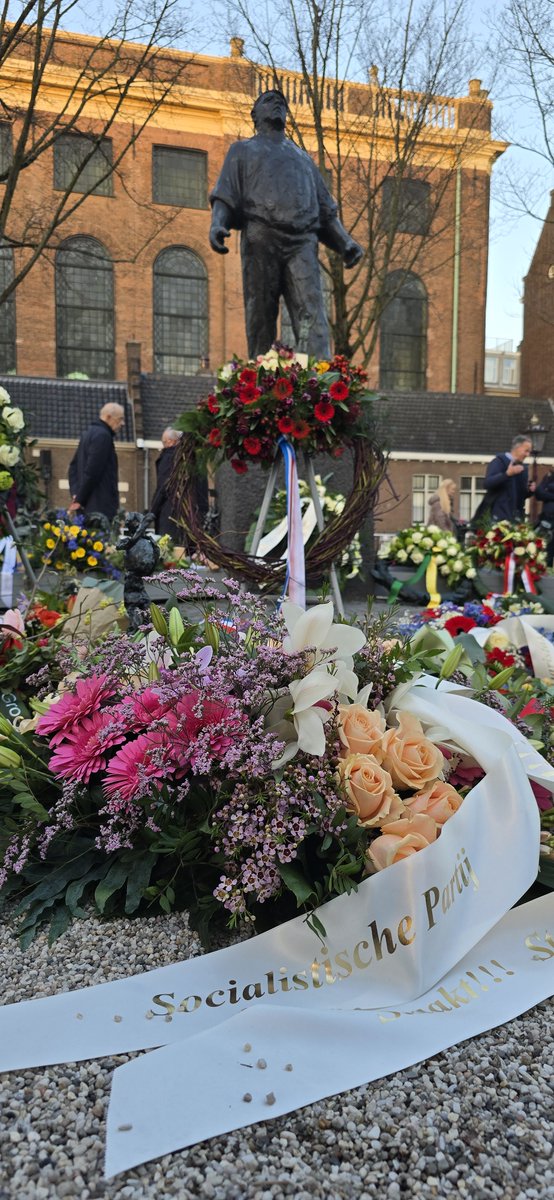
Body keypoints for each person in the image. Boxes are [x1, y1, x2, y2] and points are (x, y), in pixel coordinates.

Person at [209, 89, 363, 359]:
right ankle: (259, 384)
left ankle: (320, 384)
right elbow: (226, 192)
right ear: (254, 114)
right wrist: (217, 223)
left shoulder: (303, 159)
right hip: (261, 236)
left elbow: (326, 210)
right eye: (269, 101)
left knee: (312, 313)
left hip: (302, 242)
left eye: (282, 103)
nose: (278, 104)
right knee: (261, 313)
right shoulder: (242, 150)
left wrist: (345, 242)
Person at [68, 402, 125, 521]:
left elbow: (73, 467)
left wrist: (76, 493)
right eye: (120, 419)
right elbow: (93, 471)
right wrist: (79, 499)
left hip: (86, 506)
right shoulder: (103, 436)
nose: (122, 424)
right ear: (108, 417)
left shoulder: (87, 434)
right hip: (100, 507)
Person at [475, 435, 535, 524]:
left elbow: (519, 495)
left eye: (529, 452)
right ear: (517, 447)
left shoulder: (523, 468)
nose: (528, 455)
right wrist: (507, 474)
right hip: (498, 518)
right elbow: (488, 483)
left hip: (515, 519)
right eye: (526, 451)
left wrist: (529, 491)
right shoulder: (499, 462)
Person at [150, 427, 182, 538]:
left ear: (171, 442)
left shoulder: (168, 457)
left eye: (164, 442)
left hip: (168, 512)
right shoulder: (184, 457)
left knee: (166, 547)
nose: (163, 445)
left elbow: (163, 486)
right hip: (181, 513)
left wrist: (152, 512)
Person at [535, 469, 554, 565]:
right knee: (545, 553)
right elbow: (538, 493)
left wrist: (547, 492)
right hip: (547, 521)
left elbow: (543, 493)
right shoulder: (549, 477)